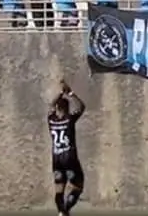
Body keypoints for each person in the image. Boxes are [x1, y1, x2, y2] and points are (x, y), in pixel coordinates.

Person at [48, 79, 86, 216]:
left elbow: (51, 105)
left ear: (57, 108)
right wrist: (69, 92)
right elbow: (81, 107)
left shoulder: (51, 120)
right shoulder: (69, 119)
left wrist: (59, 93)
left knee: (59, 189)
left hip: (56, 158)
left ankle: (60, 212)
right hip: (69, 158)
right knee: (78, 186)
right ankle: (66, 211)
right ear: (67, 108)